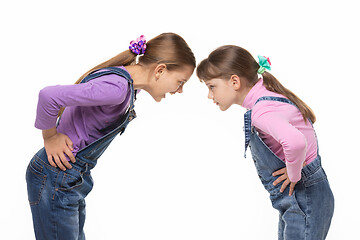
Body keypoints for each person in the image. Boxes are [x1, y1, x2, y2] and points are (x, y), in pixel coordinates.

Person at [26, 33, 196, 240]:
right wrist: (50, 137)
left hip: (71, 178)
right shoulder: (116, 88)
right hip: (57, 176)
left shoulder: (128, 87)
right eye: (180, 81)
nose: (180, 90)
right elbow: (48, 96)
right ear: (160, 70)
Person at [196, 45, 334, 239]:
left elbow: (296, 143)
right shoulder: (267, 96)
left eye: (211, 86)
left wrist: (294, 175)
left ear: (234, 81)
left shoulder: (262, 111)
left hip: (304, 195)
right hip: (303, 197)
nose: (210, 95)